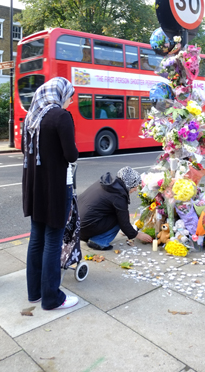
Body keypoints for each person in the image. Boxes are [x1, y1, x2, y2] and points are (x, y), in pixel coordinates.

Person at [22, 77, 79, 310]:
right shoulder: (60, 116)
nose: (70, 101)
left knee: (36, 238)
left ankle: (34, 293)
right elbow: (71, 155)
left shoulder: (31, 118)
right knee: (53, 240)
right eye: (70, 96)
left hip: (34, 187)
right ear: (60, 94)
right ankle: (51, 298)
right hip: (55, 187)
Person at [79, 167, 153, 250]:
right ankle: (99, 241)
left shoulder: (107, 184)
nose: (135, 189)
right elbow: (124, 223)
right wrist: (138, 235)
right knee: (120, 217)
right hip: (85, 227)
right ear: (129, 184)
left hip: (77, 226)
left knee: (117, 213)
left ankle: (94, 236)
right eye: (135, 186)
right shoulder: (118, 195)